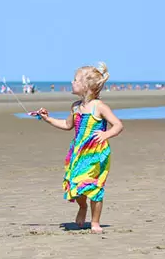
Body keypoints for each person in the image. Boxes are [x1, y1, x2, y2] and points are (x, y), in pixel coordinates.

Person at [36, 62, 124, 234]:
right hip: (78, 152)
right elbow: (67, 124)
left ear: (86, 86)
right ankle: (82, 207)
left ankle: (95, 222)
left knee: (94, 186)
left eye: (75, 80)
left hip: (96, 154)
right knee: (76, 184)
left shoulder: (100, 107)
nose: (71, 82)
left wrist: (106, 135)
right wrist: (48, 119)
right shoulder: (76, 107)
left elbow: (118, 125)